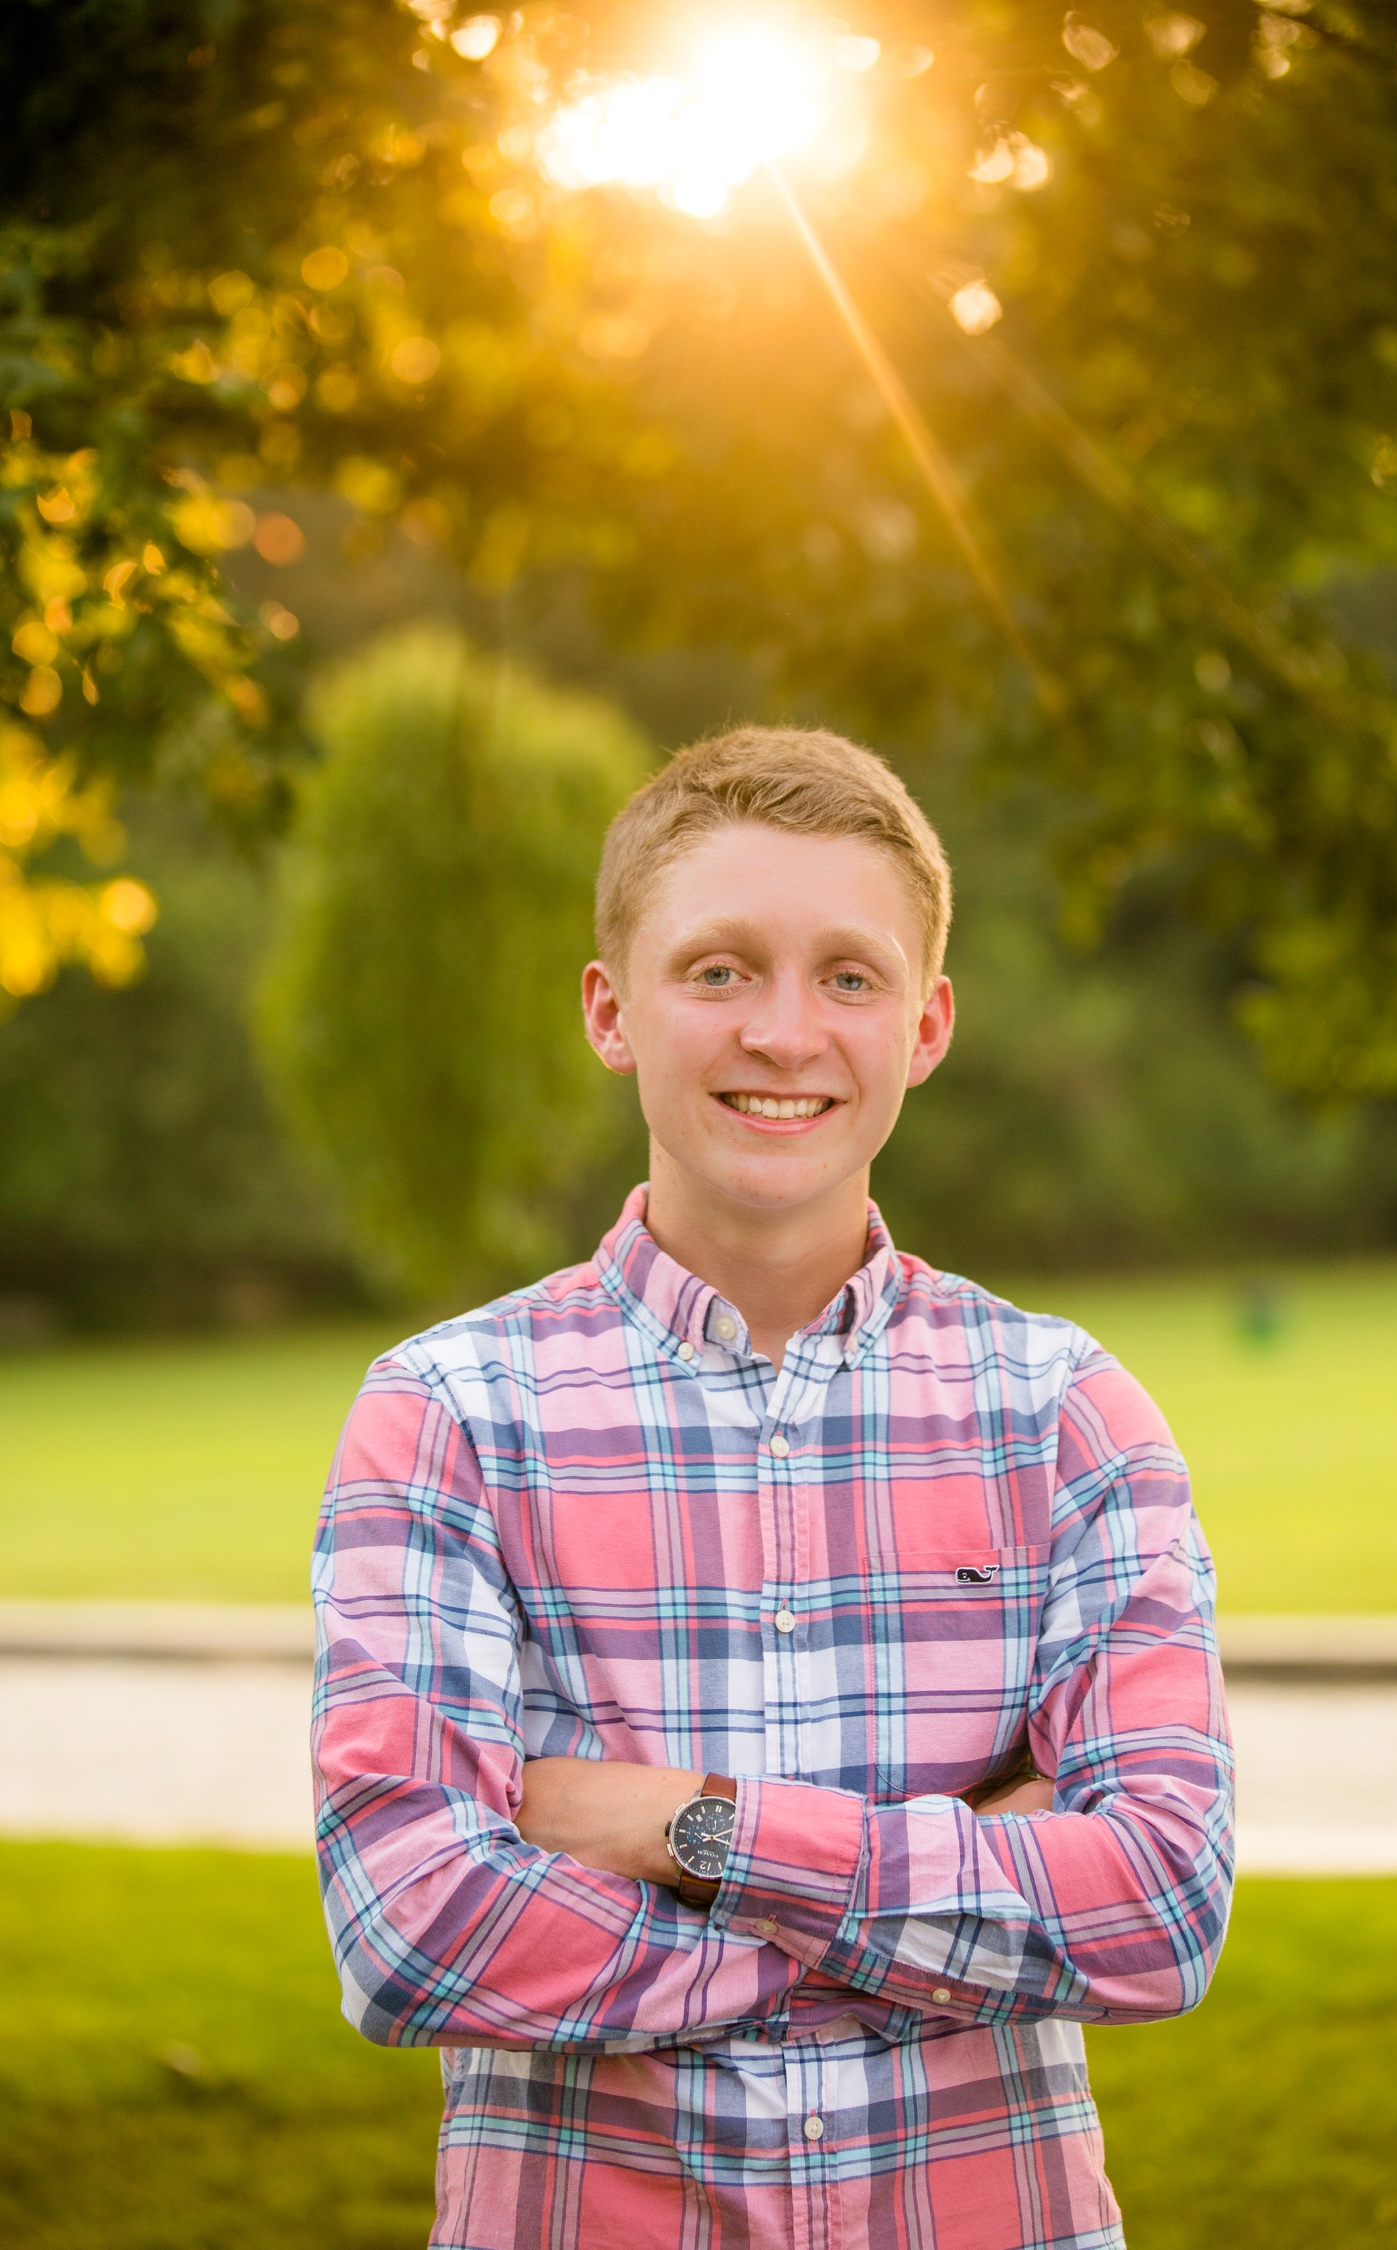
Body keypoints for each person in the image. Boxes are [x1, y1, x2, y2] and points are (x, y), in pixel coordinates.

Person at [312, 725, 1234, 2250]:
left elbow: (1157, 1904)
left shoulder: (1068, 1415)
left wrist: (698, 1830)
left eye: (849, 977)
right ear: (613, 1010)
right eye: (720, 968)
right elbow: (405, 1929)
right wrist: (939, 1905)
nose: (784, 1031)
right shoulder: (449, 1415)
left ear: (926, 1024)